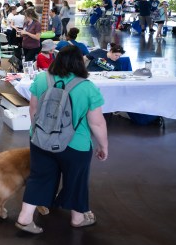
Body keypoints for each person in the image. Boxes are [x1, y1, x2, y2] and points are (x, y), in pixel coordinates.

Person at [16, 45, 108, 234]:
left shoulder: (42, 78)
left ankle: (25, 219)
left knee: (39, 177)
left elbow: (33, 109)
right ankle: (78, 218)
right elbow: (97, 123)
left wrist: (38, 133)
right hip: (76, 145)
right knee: (76, 180)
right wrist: (103, 146)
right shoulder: (87, 87)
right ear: (80, 63)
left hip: (41, 141)